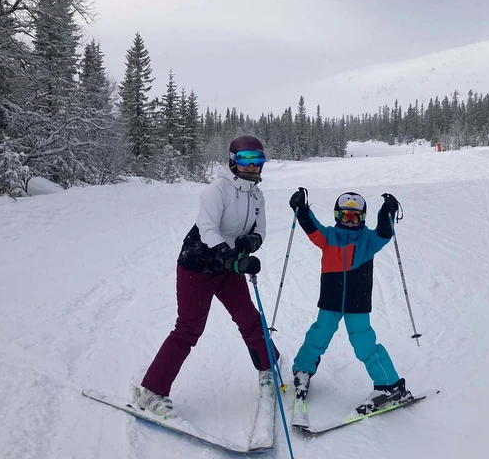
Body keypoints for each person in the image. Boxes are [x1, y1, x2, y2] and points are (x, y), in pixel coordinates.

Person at [134, 135, 280, 417]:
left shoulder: (257, 195)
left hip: (228, 266)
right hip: (197, 265)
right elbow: (207, 228)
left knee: (248, 318)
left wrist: (252, 242)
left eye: (257, 160)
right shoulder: (217, 190)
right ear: (232, 160)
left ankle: (268, 365)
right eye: (245, 159)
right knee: (188, 329)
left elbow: (260, 229)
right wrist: (228, 255)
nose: (252, 166)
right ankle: (152, 392)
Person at [288, 189, 411, 414]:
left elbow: (384, 233)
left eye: (356, 217)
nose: (351, 221)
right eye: (346, 216)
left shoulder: (369, 241)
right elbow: (312, 227)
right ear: (338, 216)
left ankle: (390, 385)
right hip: (331, 300)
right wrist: (302, 210)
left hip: (357, 302)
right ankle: (302, 370)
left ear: (363, 218)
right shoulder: (328, 237)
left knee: (364, 343)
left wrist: (387, 212)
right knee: (319, 334)